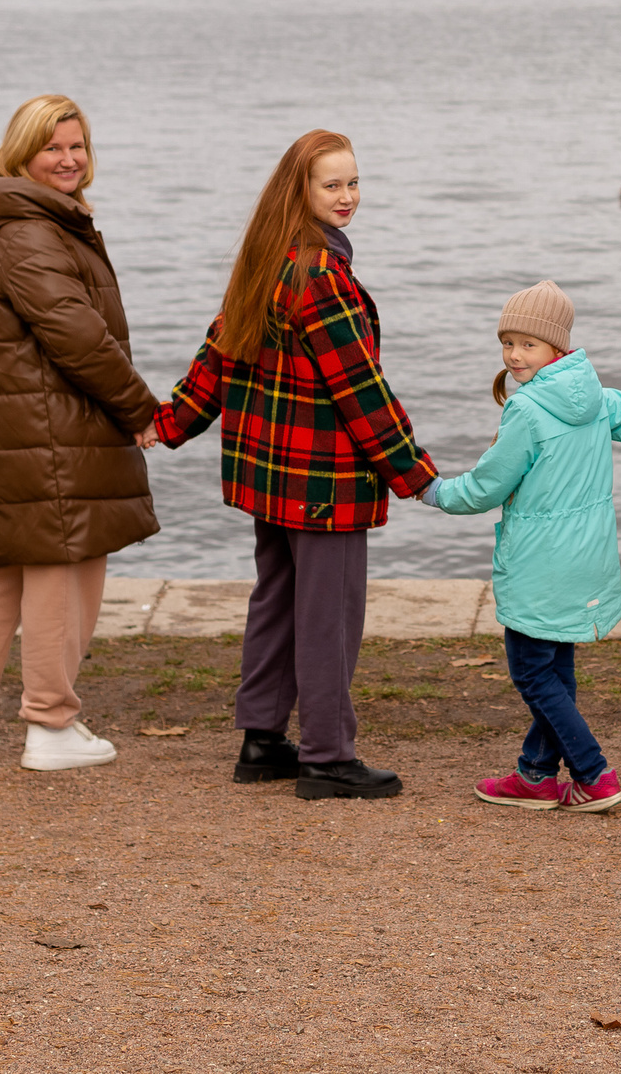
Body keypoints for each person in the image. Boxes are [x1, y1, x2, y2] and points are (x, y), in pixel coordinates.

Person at [155, 130, 437, 800]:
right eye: (331, 184)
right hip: (322, 481)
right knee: (326, 615)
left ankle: (261, 738)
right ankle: (328, 755)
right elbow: (361, 390)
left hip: (270, 477)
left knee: (277, 601)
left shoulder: (267, 259)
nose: (347, 196)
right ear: (301, 191)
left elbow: (216, 357)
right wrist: (416, 472)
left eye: (353, 182)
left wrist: (170, 422)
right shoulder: (322, 278)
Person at [422, 281, 621, 813]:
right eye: (508, 342)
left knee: (532, 673)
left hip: (541, 562)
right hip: (586, 557)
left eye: (528, 344)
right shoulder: (591, 394)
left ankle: (593, 775)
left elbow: (486, 486)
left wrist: (432, 491)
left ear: (556, 347)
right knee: (555, 669)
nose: (515, 355)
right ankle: (537, 776)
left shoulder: (527, 411)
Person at [0, 94, 162, 772]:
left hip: (12, 434)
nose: (68, 159)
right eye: (53, 147)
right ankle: (51, 725)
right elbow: (80, 339)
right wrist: (140, 409)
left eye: (77, 146)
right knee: (66, 569)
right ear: (22, 153)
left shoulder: (23, 222)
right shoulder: (30, 233)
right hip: (50, 437)